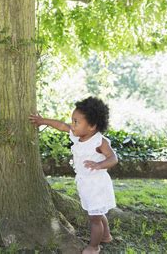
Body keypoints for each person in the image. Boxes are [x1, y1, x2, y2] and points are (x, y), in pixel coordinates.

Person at [29, 97, 118, 254]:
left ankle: (94, 246)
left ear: (91, 126)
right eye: (73, 120)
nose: (72, 124)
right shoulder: (78, 135)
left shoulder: (100, 142)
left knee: (94, 218)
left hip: (97, 185)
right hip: (86, 183)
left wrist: (99, 165)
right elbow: (61, 125)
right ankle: (106, 235)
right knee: (97, 212)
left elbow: (113, 158)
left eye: (76, 122)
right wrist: (43, 121)